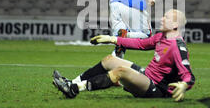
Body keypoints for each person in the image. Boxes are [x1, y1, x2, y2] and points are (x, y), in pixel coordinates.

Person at [53, 9, 195, 102]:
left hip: (156, 89)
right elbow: (140, 43)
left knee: (120, 71)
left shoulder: (178, 47)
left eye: (167, 17)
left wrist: (184, 85)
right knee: (110, 60)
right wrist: (112, 39)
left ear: (175, 25)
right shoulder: (160, 37)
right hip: (146, 76)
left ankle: (74, 89)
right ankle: (72, 82)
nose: (162, 19)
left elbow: (188, 75)